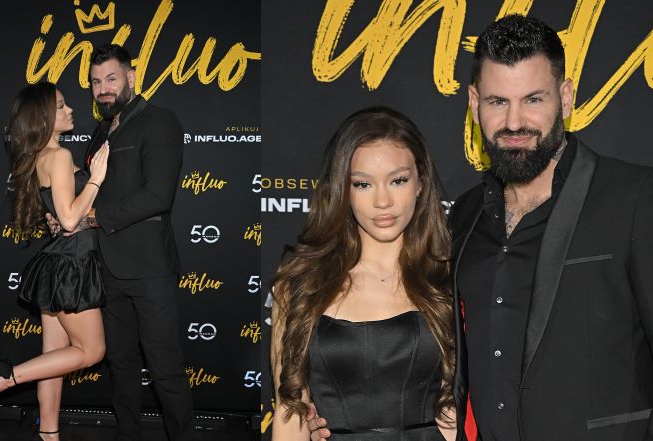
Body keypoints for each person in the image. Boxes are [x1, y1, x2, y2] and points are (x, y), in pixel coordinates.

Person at [310, 13, 653, 441]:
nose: (514, 122)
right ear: (474, 104)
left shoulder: (634, 198)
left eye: (533, 99)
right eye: (497, 102)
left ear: (565, 98)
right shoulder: (466, 216)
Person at [271, 106, 457, 440]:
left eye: (398, 180)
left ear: (420, 183)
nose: (383, 201)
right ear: (342, 189)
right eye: (363, 184)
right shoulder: (300, 284)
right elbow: (290, 417)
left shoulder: (451, 278)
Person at [49, 43, 194, 441]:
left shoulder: (160, 121)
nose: (104, 89)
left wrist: (90, 219)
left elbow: (157, 196)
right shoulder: (99, 132)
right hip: (105, 269)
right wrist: (63, 214)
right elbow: (88, 190)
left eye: (111, 79)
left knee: (165, 369)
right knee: (121, 365)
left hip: (149, 269)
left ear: (131, 77)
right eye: (96, 82)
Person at [0, 82, 110, 441]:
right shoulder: (60, 156)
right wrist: (96, 180)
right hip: (72, 265)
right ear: (44, 117)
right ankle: (8, 376)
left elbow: (63, 218)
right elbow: (69, 219)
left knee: (53, 357)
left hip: (57, 263)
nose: (70, 110)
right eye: (61, 106)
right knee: (92, 351)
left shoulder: (39, 157)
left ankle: (48, 434)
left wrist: (80, 214)